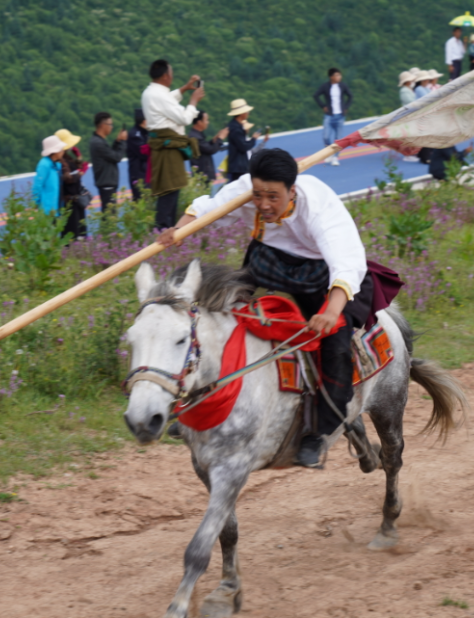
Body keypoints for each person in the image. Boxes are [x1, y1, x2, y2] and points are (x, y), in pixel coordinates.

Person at [158, 148, 375, 468]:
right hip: (267, 263)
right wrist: (180, 229)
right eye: (258, 195)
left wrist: (331, 311)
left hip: (319, 277)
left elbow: (346, 262)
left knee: (336, 346)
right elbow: (209, 207)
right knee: (218, 315)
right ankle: (202, 403)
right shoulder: (248, 189)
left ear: (293, 191)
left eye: (273, 197)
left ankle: (320, 432)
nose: (263, 205)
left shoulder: (319, 207)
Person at [142, 59, 205, 229]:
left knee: (168, 189)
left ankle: (165, 229)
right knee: (170, 190)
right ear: (165, 76)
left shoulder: (150, 92)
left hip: (163, 145)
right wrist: (193, 102)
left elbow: (166, 101)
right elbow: (184, 118)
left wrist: (184, 88)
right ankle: (164, 230)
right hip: (168, 148)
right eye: (171, 73)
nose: (171, 76)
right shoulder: (160, 95)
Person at [89, 112, 128, 214]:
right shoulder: (98, 143)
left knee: (109, 214)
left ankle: (108, 231)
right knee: (109, 215)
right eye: (110, 124)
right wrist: (123, 141)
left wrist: (117, 141)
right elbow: (117, 157)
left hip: (107, 182)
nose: (111, 127)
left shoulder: (98, 141)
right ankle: (107, 231)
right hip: (106, 183)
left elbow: (110, 155)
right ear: (103, 125)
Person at [312, 68, 352, 166]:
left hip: (340, 116)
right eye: (337, 75)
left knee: (338, 139)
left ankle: (335, 157)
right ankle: (330, 153)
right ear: (331, 77)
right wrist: (323, 106)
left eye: (340, 75)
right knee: (326, 137)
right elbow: (315, 95)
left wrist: (346, 107)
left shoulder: (343, 86)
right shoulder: (325, 86)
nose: (339, 77)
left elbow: (350, 96)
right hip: (329, 116)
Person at [225, 99, 268, 181]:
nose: (248, 113)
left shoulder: (236, 126)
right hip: (238, 168)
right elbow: (243, 146)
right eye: (246, 111)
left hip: (239, 167)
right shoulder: (235, 129)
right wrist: (254, 138)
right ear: (241, 113)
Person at [57, 129, 89, 238]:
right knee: (73, 234)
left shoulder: (67, 158)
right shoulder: (61, 161)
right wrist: (79, 174)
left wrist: (79, 158)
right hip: (70, 202)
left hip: (76, 200)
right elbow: (67, 178)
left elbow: (75, 168)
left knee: (81, 232)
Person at [188, 110, 229, 185]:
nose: (208, 122)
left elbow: (205, 146)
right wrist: (220, 138)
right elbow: (210, 150)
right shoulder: (195, 137)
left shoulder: (196, 135)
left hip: (202, 174)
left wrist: (215, 139)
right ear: (199, 122)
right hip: (202, 175)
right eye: (206, 120)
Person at [32, 135, 66, 218]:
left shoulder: (57, 164)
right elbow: (37, 186)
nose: (63, 151)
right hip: (47, 212)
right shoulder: (44, 164)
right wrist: (34, 206)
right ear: (54, 151)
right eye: (60, 149)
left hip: (56, 210)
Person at [126, 109, 150, 202]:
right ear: (144, 121)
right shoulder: (134, 135)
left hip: (146, 173)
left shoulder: (145, 133)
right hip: (139, 175)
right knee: (140, 202)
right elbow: (144, 154)